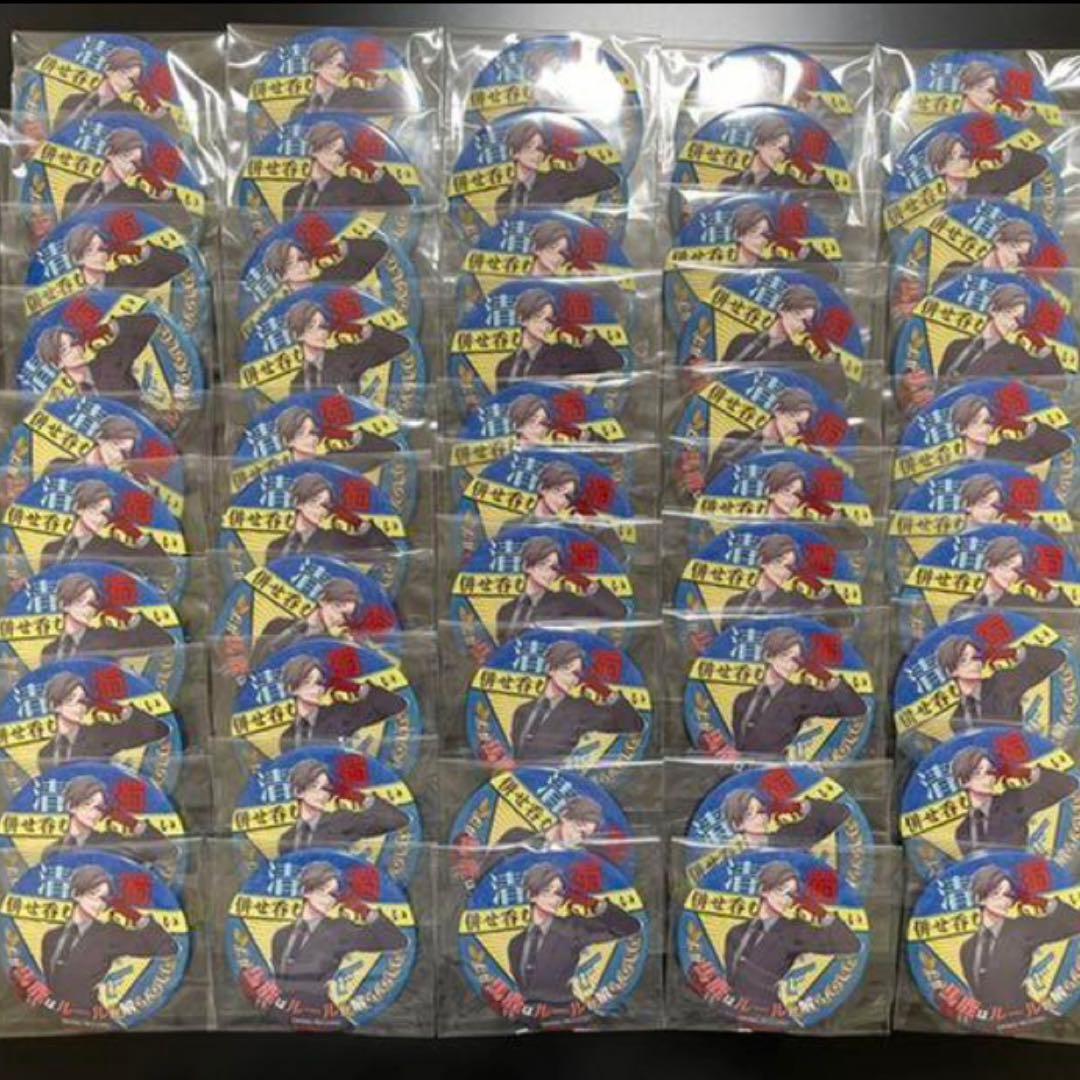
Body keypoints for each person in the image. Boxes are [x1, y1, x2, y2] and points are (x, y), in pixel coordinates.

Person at [261, 860, 407, 1012]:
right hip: (282, 1012)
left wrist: (363, 910)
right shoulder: (280, 935)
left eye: (334, 894)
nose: (329, 898)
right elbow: (279, 981)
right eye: (322, 890)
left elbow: (396, 941)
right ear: (306, 891)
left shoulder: (340, 929)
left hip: (319, 1012)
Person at [722, 860, 859, 1012]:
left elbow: (850, 944)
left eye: (791, 894)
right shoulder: (736, 932)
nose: (787, 899)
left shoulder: (795, 931)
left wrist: (821, 913)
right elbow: (730, 980)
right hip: (733, 1012)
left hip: (768, 1012)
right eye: (781, 890)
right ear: (764, 890)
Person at [38, 864, 178, 1012]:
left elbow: (167, 947)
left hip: (90, 1015)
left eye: (104, 899)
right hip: (50, 1014)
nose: (100, 904)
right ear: (76, 894)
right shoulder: (50, 937)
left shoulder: (109, 934)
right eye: (94, 894)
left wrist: (134, 916)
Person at [506, 861, 640, 1016]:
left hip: (568, 1014)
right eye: (547, 891)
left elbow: (630, 927)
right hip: (528, 1017)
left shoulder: (572, 928)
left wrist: (594, 904)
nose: (555, 899)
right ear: (531, 895)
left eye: (559, 893)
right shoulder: (515, 944)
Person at [959, 864, 1080, 1011]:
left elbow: (1076, 923)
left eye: (1008, 894)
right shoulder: (967, 948)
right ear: (980, 898)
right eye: (996, 893)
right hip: (984, 1020)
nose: (1004, 900)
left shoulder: (1023, 927)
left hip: (1024, 1015)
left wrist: (1042, 902)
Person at [729, 627, 866, 755]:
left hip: (776, 766)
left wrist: (827, 677)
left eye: (796, 660)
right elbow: (738, 743)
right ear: (768, 656)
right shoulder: (742, 699)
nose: (790, 665)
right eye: (785, 655)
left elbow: (855, 708)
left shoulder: (801, 695)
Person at [510, 640, 644, 761]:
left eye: (577, 673)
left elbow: (634, 724)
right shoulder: (522, 711)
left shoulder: (580, 709)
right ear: (551, 669)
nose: (573, 679)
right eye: (567, 669)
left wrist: (604, 691)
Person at [718, 284, 846, 400]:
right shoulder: (742, 340)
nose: (800, 325)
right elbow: (721, 377)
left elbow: (836, 393)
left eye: (807, 321)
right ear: (782, 309)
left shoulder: (800, 355)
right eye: (797, 314)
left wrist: (827, 354)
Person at [950, 744, 1078, 855]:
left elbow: (1067, 785)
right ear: (963, 782)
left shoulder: (1012, 799)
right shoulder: (963, 831)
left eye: (990, 771)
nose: (987, 778)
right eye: (978, 773)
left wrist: (1025, 772)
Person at [36, 668, 170, 771]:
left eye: (83, 700)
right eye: (71, 700)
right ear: (55, 706)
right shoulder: (46, 754)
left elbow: (158, 730)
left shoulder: (101, 732)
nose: (80, 706)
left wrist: (120, 710)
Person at [496, 536, 625, 642]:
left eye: (554, 567)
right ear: (527, 567)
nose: (550, 573)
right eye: (543, 564)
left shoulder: (565, 601)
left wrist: (584, 583)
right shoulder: (506, 610)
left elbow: (617, 612)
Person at [936, 633, 1066, 733]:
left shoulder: (1001, 683)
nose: (974, 664)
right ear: (950, 671)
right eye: (964, 660)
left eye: (976, 657)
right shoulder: (956, 720)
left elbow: (1055, 658)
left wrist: (1012, 652)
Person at [277, 653, 406, 752]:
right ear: (291, 689)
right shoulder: (287, 737)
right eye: (307, 682)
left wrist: (357, 688)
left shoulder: (340, 713)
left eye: (319, 682)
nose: (316, 689)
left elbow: (396, 705)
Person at [495, 288, 624, 386]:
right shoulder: (504, 366)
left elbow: (613, 361)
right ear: (522, 319)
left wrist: (580, 333)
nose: (546, 325)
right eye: (539, 316)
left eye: (550, 319)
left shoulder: (561, 355)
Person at [277, 758, 409, 854]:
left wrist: (358, 797)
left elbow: (398, 820)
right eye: (314, 786)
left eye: (326, 787)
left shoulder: (342, 819)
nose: (322, 794)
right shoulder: (287, 838)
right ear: (298, 792)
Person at [62, 128, 186, 230]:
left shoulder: (136, 198)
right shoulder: (76, 190)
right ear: (109, 153)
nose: (130, 167)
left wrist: (163, 190)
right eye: (126, 156)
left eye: (136, 163)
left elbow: (182, 224)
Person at [40, 572, 176, 664]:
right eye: (81, 600)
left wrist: (126, 616)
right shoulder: (49, 651)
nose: (88, 609)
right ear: (64, 605)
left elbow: (164, 642)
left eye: (93, 603)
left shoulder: (107, 637)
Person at [494, 118, 620, 217]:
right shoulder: (503, 200)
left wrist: (572, 157)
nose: (537, 154)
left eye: (540, 148)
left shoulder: (554, 181)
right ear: (513, 153)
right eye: (529, 147)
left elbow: (610, 180)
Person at [45, 775, 177, 867]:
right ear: (71, 806)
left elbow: (167, 850)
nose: (94, 813)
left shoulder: (111, 842)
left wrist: (130, 822)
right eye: (87, 804)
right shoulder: (53, 852)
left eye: (99, 807)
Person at [282, 121, 409, 217]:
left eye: (342, 153)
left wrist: (370, 169)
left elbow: (402, 201)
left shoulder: (350, 188)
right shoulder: (292, 195)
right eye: (332, 149)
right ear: (313, 150)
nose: (338, 158)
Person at [285, 299, 409, 395]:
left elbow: (400, 345)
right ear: (297, 335)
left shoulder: (345, 356)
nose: (321, 332)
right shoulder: (298, 383)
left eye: (323, 326)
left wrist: (359, 329)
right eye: (311, 326)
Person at [41, 478, 171, 570]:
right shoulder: (51, 548)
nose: (101, 518)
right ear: (78, 508)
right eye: (95, 509)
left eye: (106, 513)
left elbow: (164, 567)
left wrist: (135, 534)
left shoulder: (111, 548)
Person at [251, 577, 378, 669]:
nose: (339, 617)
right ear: (322, 600)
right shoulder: (278, 625)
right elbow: (255, 663)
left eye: (346, 615)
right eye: (337, 606)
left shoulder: (331, 645)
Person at [939, 283, 1061, 379]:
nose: (1012, 323)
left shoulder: (1015, 355)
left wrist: (1041, 346)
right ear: (993, 309)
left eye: (1018, 319)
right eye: (1009, 313)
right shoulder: (956, 346)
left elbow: (1057, 381)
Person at [700, 386, 818, 484]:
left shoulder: (786, 458)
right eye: (793, 419)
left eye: (800, 427)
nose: (794, 429)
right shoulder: (735, 437)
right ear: (778, 411)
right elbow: (711, 479)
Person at [265, 473, 394, 560]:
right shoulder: (275, 546)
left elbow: (387, 550)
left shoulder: (334, 539)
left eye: (326, 505)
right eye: (314, 501)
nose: (321, 510)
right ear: (298, 503)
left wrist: (356, 521)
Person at [36, 309, 159, 396]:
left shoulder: (107, 360)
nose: (76, 349)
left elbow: (151, 322)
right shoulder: (70, 397)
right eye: (65, 349)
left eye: (74, 342)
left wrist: (108, 328)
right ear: (58, 364)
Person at [723, 533, 843, 614]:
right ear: (762, 562)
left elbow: (844, 619)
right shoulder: (734, 602)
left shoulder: (796, 601)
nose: (786, 571)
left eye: (791, 567)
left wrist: (818, 586)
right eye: (779, 562)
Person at [951, 535, 1070, 616]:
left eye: (1018, 569)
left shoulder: (1022, 603)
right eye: (1006, 565)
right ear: (989, 566)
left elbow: (1069, 617)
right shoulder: (962, 607)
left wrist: (1046, 588)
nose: (1012, 574)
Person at [288, 36, 406, 117]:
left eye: (341, 65)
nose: (338, 70)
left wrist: (375, 79)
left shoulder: (353, 96)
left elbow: (402, 104)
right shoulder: (299, 110)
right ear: (315, 67)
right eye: (330, 62)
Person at [925, 128, 1047, 205]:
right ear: (939, 168)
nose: (962, 161)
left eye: (964, 155)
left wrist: (998, 154)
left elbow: (1039, 165)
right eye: (952, 158)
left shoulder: (988, 182)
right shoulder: (933, 201)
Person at [950, 394, 1071, 467]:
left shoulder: (1010, 451)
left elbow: (1064, 445)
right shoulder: (954, 468)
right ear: (960, 429)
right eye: (975, 421)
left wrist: (1024, 426)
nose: (985, 427)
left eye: (988, 421)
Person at [64, 220, 189, 290]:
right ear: (77, 259)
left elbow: (181, 265)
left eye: (102, 248)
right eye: (90, 250)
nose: (100, 254)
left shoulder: (127, 277)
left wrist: (138, 250)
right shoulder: (73, 294)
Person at [262, 227, 387, 296]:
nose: (302, 265)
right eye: (290, 263)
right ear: (281, 276)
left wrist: (335, 248)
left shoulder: (332, 278)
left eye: (302, 258)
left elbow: (379, 249)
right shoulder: (286, 306)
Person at [722, 786, 851, 847]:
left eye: (762, 810)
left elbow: (843, 814)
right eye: (750, 814)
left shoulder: (786, 834)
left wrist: (801, 806)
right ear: (737, 825)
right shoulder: (736, 855)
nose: (762, 817)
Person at [275, 403, 399, 463]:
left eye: (313, 431)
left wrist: (349, 435)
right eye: (301, 433)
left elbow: (390, 449)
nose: (312, 438)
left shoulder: (334, 461)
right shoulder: (284, 476)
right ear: (287, 441)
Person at [731, 115, 827, 191]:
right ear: (758, 144)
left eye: (785, 150)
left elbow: (829, 200)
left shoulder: (786, 184)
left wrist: (810, 171)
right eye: (774, 145)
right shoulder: (731, 182)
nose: (780, 155)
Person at [941, 219, 1037, 282]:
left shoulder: (1008, 287)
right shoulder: (955, 269)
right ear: (998, 241)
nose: (1014, 259)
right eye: (1013, 247)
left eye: (1021, 256)